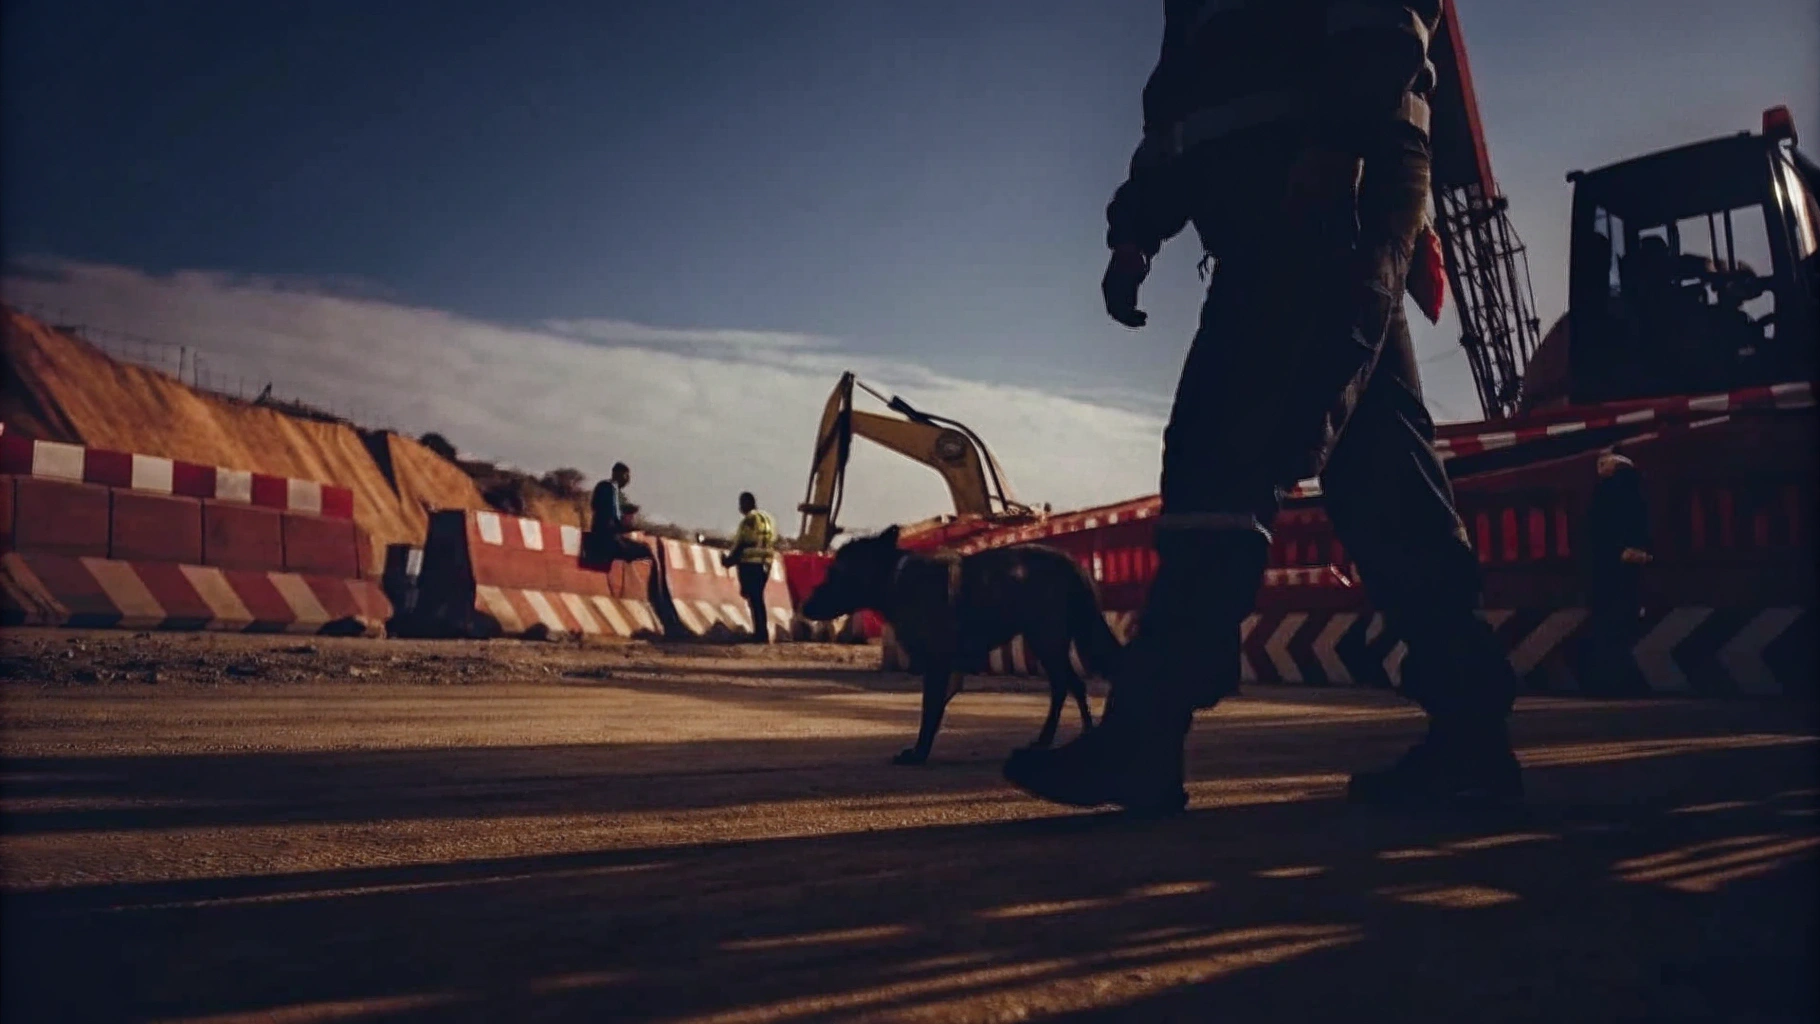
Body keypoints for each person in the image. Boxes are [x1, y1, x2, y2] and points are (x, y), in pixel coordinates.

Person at [1004, 0, 1523, 815]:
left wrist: (1338, 140)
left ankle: (1147, 730)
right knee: (1381, 474)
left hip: (1318, 191)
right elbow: (1184, 104)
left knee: (1219, 453)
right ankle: (1472, 735)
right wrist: (1136, 228)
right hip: (1292, 197)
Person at [1582, 447, 1652, 694]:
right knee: (1622, 624)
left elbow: (1595, 532)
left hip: (1606, 569)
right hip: (1624, 566)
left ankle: (1611, 680)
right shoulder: (1632, 489)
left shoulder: (1605, 492)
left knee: (1609, 626)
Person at [721, 492, 778, 643]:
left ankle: (760, 634)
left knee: (754, 599)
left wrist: (728, 561)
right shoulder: (767, 518)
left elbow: (742, 542)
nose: (740, 507)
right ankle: (761, 632)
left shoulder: (749, 520)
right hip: (766, 564)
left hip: (751, 564)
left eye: (741, 503)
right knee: (758, 598)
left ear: (747, 503)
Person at [585, 462, 654, 565]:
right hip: (607, 538)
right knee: (646, 549)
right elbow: (611, 520)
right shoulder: (609, 487)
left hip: (606, 534)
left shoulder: (609, 489)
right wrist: (631, 527)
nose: (628, 480)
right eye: (626, 475)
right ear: (617, 474)